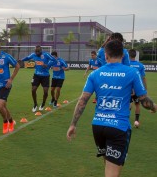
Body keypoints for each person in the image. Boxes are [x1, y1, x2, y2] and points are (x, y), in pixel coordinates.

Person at [66, 40, 157, 177]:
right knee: (112, 172)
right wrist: (154, 107)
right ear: (123, 55)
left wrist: (73, 124)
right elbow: (144, 101)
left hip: (98, 127)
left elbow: (82, 101)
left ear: (106, 56)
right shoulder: (132, 73)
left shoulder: (95, 74)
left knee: (109, 165)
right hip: (118, 128)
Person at [21, 45, 56, 112]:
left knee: (45, 92)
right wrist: (21, 60)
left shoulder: (46, 55)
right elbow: (27, 58)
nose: (37, 53)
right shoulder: (33, 55)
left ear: (41, 50)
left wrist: (47, 65)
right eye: (36, 51)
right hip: (36, 75)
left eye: (38, 51)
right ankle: (35, 104)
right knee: (33, 90)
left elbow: (54, 60)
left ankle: (43, 104)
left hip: (45, 76)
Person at [129, 49, 147, 128]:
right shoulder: (140, 65)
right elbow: (143, 78)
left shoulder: (126, 64)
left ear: (128, 55)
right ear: (135, 56)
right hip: (137, 89)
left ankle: (125, 119)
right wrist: (145, 89)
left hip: (128, 88)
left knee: (128, 104)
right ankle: (136, 121)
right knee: (137, 105)